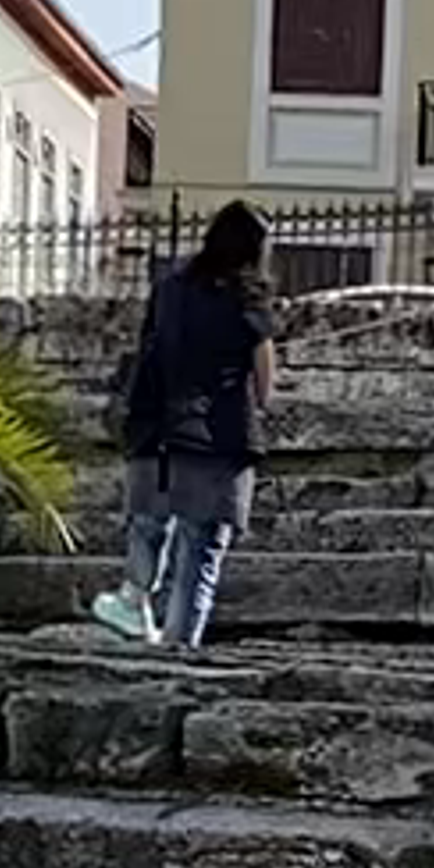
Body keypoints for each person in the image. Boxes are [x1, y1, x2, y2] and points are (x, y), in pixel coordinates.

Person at [95, 200, 275, 655]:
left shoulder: (171, 287)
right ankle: (177, 648)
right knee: (200, 550)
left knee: (149, 524)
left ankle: (135, 601)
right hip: (218, 437)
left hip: (158, 426)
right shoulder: (248, 296)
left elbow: (150, 343)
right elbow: (265, 381)